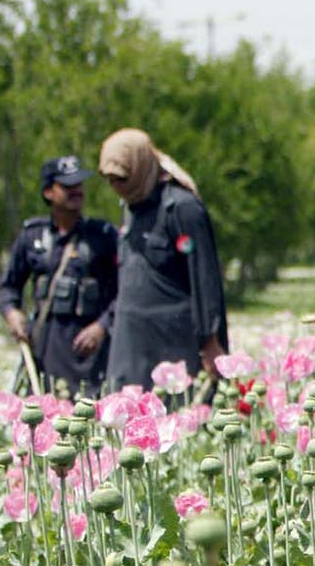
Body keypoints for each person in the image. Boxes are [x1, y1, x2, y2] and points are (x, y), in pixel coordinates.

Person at [97, 129, 228, 390]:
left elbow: (204, 278)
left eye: (121, 178)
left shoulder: (181, 208)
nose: (116, 188)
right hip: (130, 338)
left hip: (173, 341)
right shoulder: (131, 207)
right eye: (109, 180)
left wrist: (210, 341)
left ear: (141, 168)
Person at [0, 156, 119, 397]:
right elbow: (8, 288)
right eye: (67, 186)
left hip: (89, 352)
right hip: (44, 347)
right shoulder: (32, 236)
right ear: (49, 192)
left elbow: (124, 291)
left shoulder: (103, 236)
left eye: (79, 185)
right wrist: (12, 313)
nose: (76, 191)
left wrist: (102, 327)